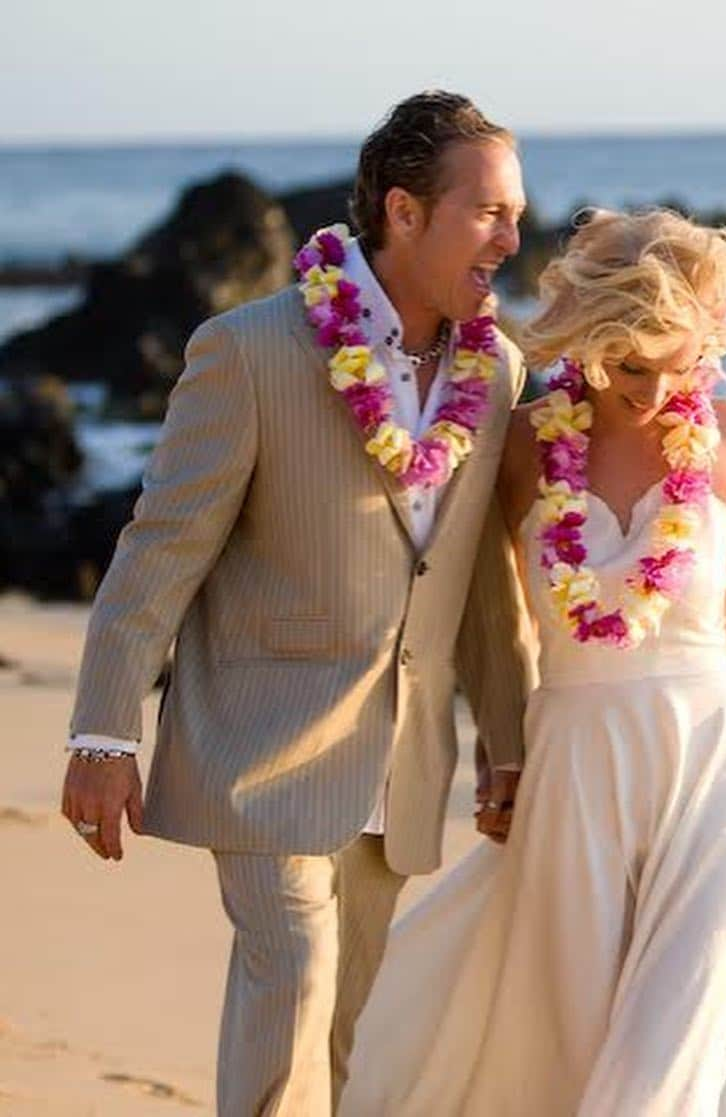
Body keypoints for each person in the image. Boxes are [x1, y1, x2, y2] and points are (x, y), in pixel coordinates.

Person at [60, 90, 534, 1116]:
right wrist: (103, 729)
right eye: (490, 211)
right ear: (404, 212)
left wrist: (509, 744)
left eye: (517, 214)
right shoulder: (251, 350)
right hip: (262, 746)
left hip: (404, 757)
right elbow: (161, 547)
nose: (512, 235)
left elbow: (487, 582)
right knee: (297, 975)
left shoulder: (496, 372)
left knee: (347, 1027)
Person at [341, 208, 726, 1116]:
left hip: (717, 762)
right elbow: (488, 617)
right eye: (629, 366)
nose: (653, 389)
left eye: (679, 362)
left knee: (668, 1048)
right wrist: (500, 750)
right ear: (586, 343)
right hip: (575, 761)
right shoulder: (519, 446)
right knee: (568, 1038)